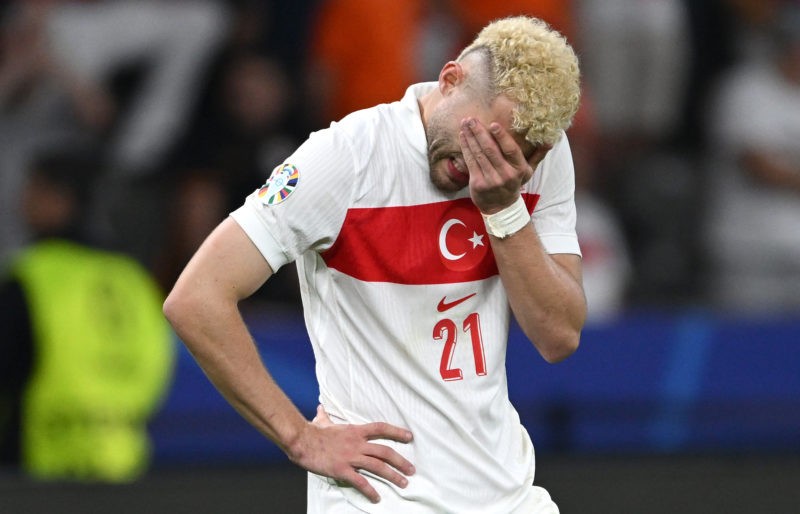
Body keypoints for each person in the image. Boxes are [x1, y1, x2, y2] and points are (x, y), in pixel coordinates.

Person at [164, 16, 585, 513]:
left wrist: (504, 210)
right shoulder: (345, 158)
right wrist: (300, 437)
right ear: (449, 80)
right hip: (379, 498)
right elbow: (195, 298)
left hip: (508, 494)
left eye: (522, 155)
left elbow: (558, 337)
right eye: (483, 138)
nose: (490, 163)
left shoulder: (531, 160)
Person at [0, 148, 174, 481]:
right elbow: (158, 361)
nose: (22, 202)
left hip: (36, 462)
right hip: (124, 461)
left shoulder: (32, 276)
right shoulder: (134, 278)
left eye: (34, 190)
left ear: (61, 199)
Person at [703, 4, 800, 313]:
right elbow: (758, 165)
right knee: (748, 349)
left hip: (795, 253)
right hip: (750, 251)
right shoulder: (745, 88)